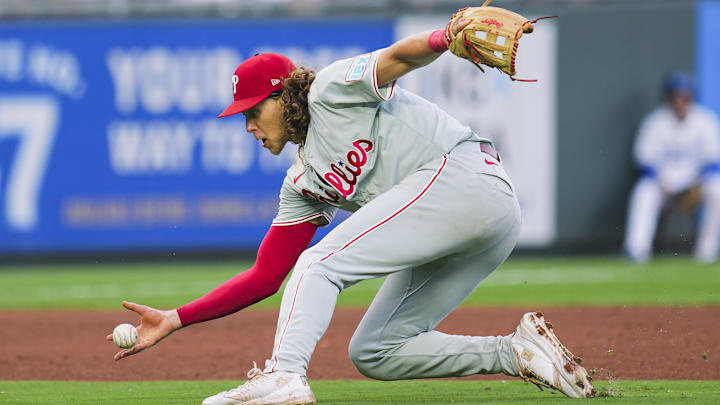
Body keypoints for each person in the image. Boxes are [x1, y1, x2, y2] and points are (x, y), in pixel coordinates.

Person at [107, 20, 595, 404]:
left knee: (319, 263)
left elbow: (398, 58)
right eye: (243, 116)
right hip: (473, 220)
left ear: (283, 96)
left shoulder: (328, 91)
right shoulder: (301, 184)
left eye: (254, 111)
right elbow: (264, 276)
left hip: (468, 177)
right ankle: (516, 352)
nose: (249, 125)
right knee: (376, 351)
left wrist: (443, 38)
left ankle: (284, 376)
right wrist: (176, 317)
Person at [624, 72, 720, 263]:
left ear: (691, 97)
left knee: (717, 189)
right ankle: (636, 250)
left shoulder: (706, 121)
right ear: (668, 97)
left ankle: (706, 253)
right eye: (675, 96)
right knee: (644, 191)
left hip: (695, 183)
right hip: (662, 184)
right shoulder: (655, 122)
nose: (679, 101)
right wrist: (660, 182)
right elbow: (643, 160)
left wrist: (698, 183)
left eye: (684, 96)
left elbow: (713, 161)